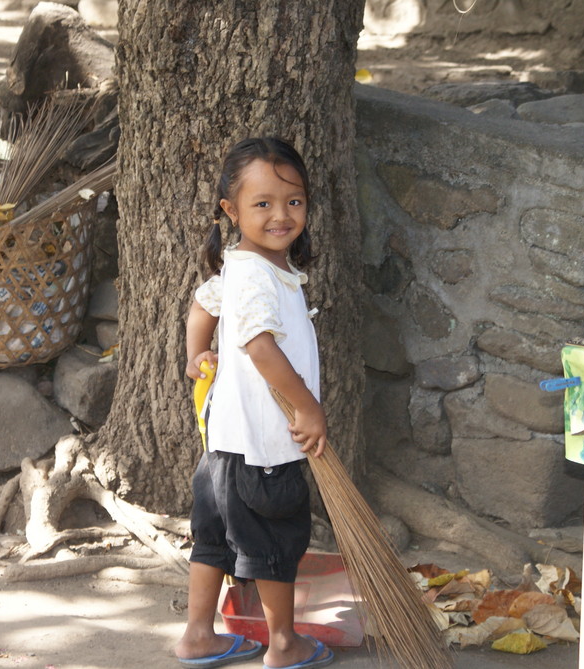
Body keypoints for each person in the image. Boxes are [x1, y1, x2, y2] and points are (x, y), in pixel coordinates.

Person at [174, 137, 335, 669]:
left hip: (223, 448)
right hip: (266, 448)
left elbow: (203, 303)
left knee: (214, 540)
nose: (280, 215)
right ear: (231, 210)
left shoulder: (242, 267)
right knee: (275, 544)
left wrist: (197, 351)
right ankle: (284, 643)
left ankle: (199, 635)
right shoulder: (256, 276)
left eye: (293, 201)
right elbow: (260, 347)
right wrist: (307, 407)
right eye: (262, 203)